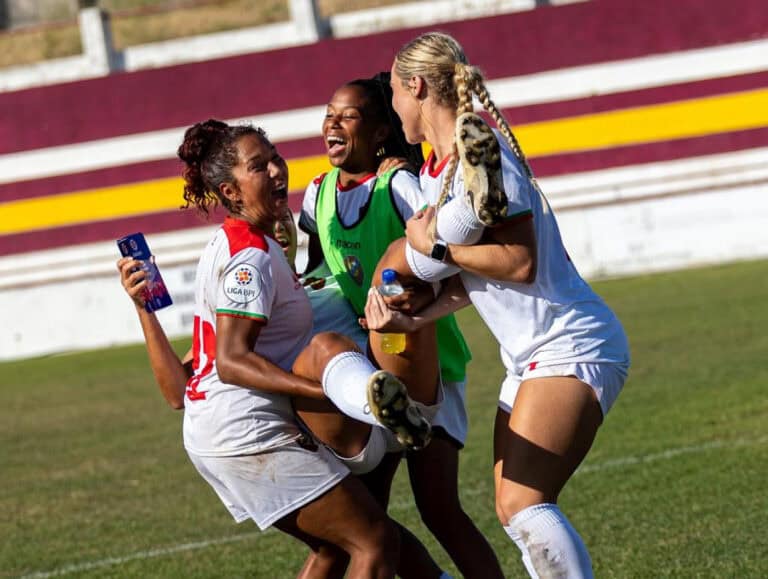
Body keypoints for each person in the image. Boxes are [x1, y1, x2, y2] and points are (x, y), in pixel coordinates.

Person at [117, 118, 445, 578]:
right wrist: (319, 392)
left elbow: (178, 392)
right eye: (258, 167)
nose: (276, 170)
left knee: (335, 549)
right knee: (374, 541)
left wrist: (143, 310)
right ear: (231, 192)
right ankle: (370, 402)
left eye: (274, 157)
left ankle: (372, 404)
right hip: (247, 431)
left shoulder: (229, 246)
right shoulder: (250, 259)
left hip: (213, 431)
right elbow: (231, 363)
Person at [363, 32, 631, 578]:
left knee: (524, 504)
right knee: (515, 510)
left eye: (393, 91)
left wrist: (434, 246)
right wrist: (424, 314)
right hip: (531, 353)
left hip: (569, 341)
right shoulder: (440, 172)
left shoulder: (481, 150)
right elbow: (476, 278)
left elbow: (520, 263)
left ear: (415, 87)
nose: (392, 107)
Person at [299, 74, 504, 578]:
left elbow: (445, 254)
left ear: (379, 134)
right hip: (372, 371)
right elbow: (318, 272)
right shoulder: (317, 194)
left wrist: (416, 293)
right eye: (329, 112)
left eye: (348, 115)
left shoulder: (399, 185)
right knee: (365, 521)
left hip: (426, 361)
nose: (333, 122)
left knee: (439, 511)